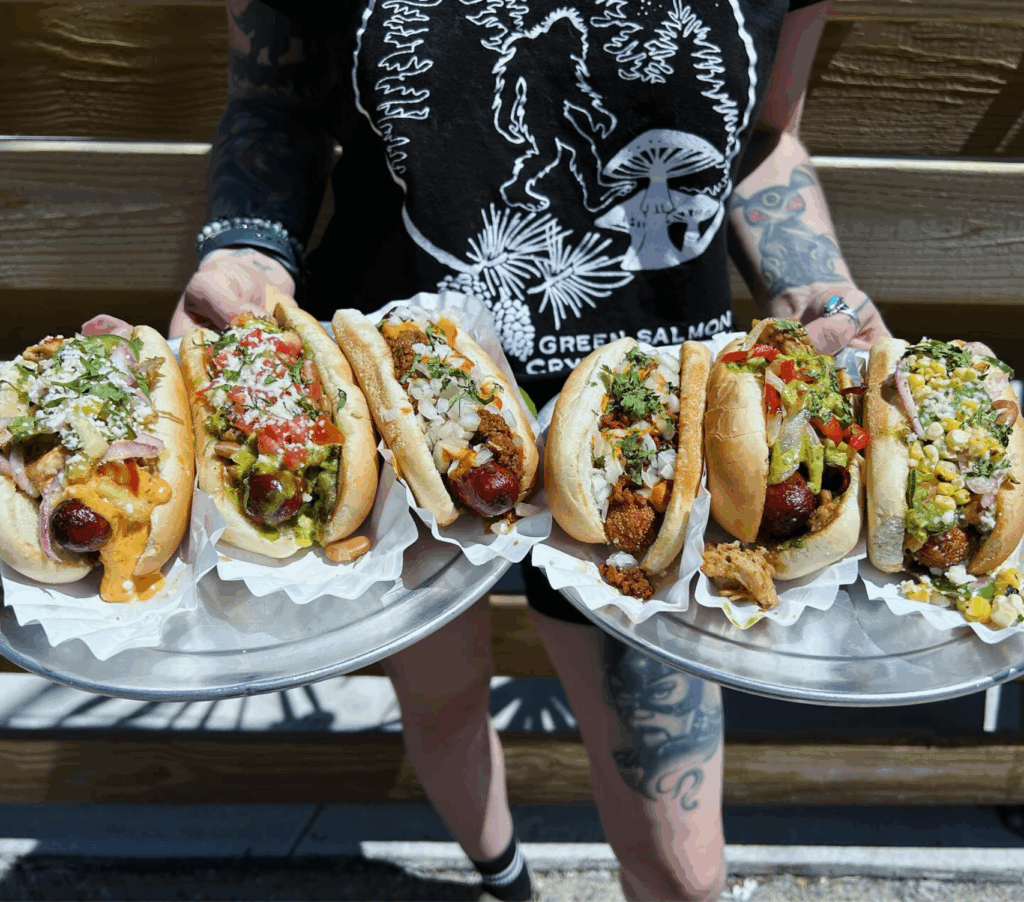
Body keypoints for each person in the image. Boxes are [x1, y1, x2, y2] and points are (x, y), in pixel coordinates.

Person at [170, 2, 891, 898]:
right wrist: (253, 249)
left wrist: (810, 284)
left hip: (659, 451)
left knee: (684, 863)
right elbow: (276, 104)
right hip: (405, 431)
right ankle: (503, 881)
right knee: (444, 703)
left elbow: (764, 131)